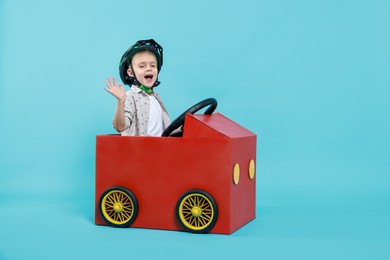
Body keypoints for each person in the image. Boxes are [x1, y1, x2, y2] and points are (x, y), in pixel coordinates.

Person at [104, 39, 170, 136]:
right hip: (138, 150)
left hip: (159, 149)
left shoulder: (156, 98)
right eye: (142, 66)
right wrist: (121, 101)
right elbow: (120, 127)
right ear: (130, 73)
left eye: (153, 65)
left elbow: (167, 130)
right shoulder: (130, 97)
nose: (148, 68)